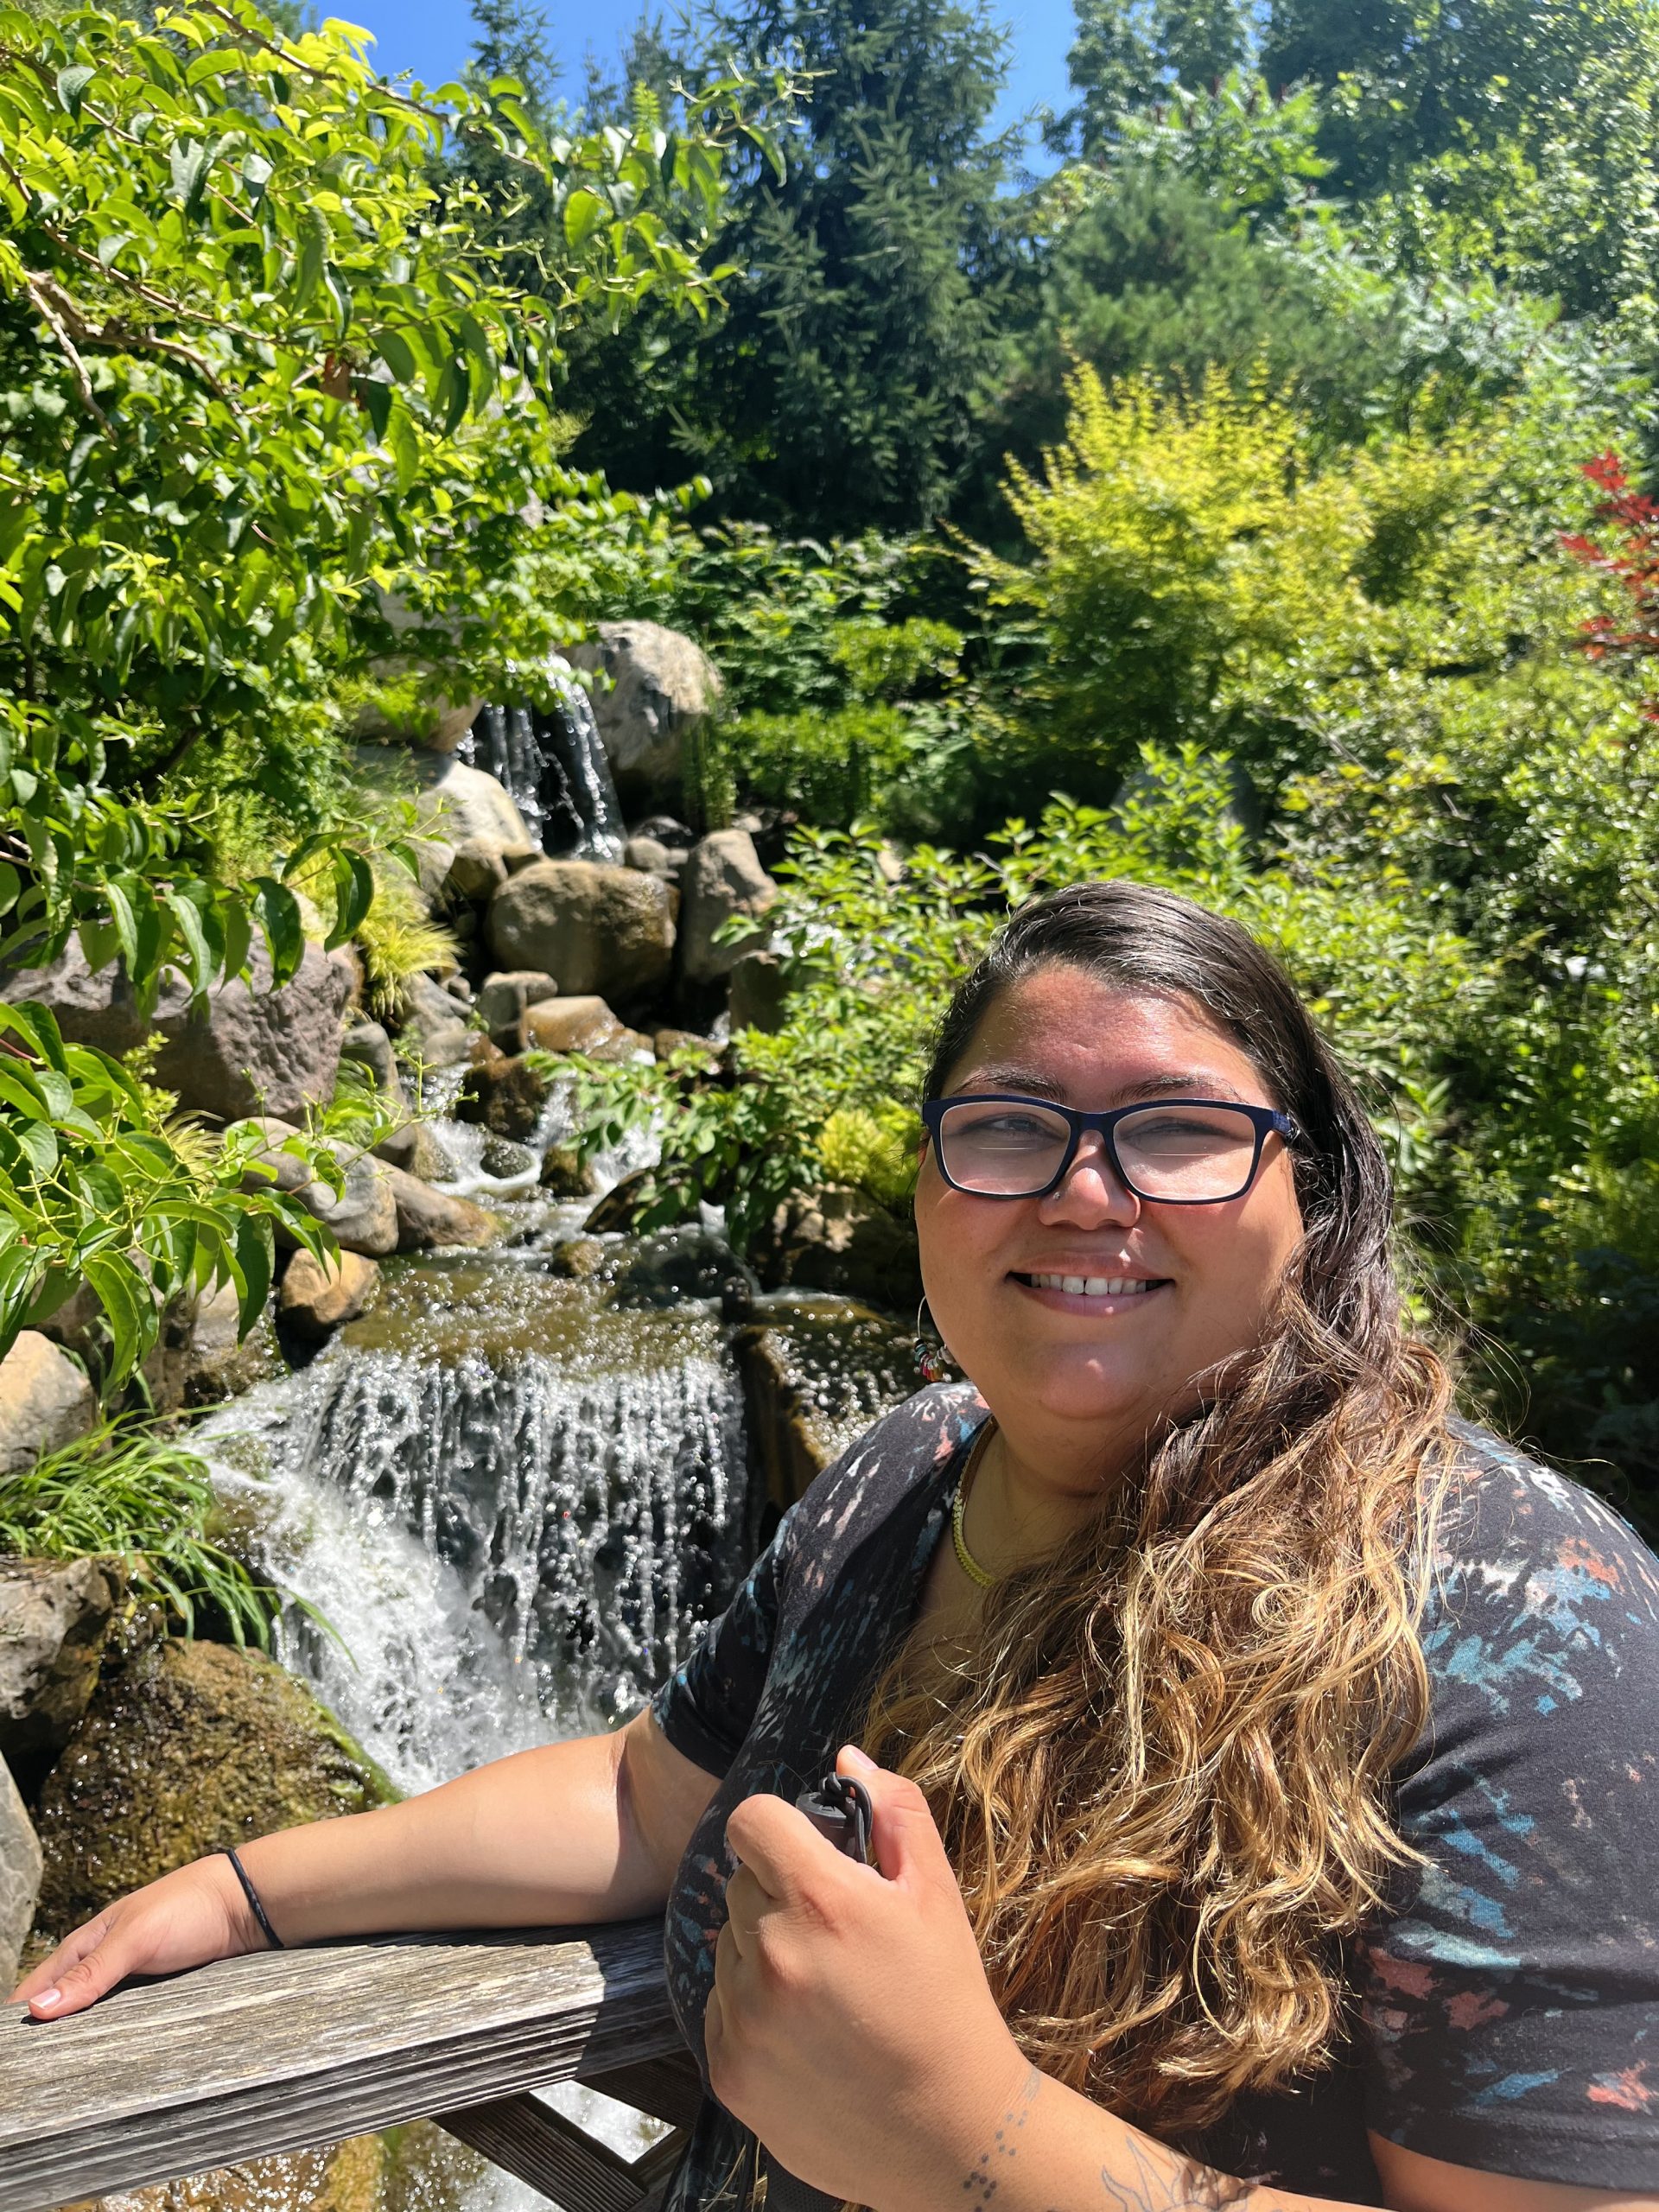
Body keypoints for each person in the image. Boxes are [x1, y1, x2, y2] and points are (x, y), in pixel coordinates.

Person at [15, 880, 1659, 2212]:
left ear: (1313, 1187)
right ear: (934, 1176)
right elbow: (649, 1795)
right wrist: (243, 1893)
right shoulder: (905, 1470)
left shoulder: (1522, 1620)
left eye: (1178, 1130)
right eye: (1011, 1126)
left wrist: (975, 2139)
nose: (1089, 1196)